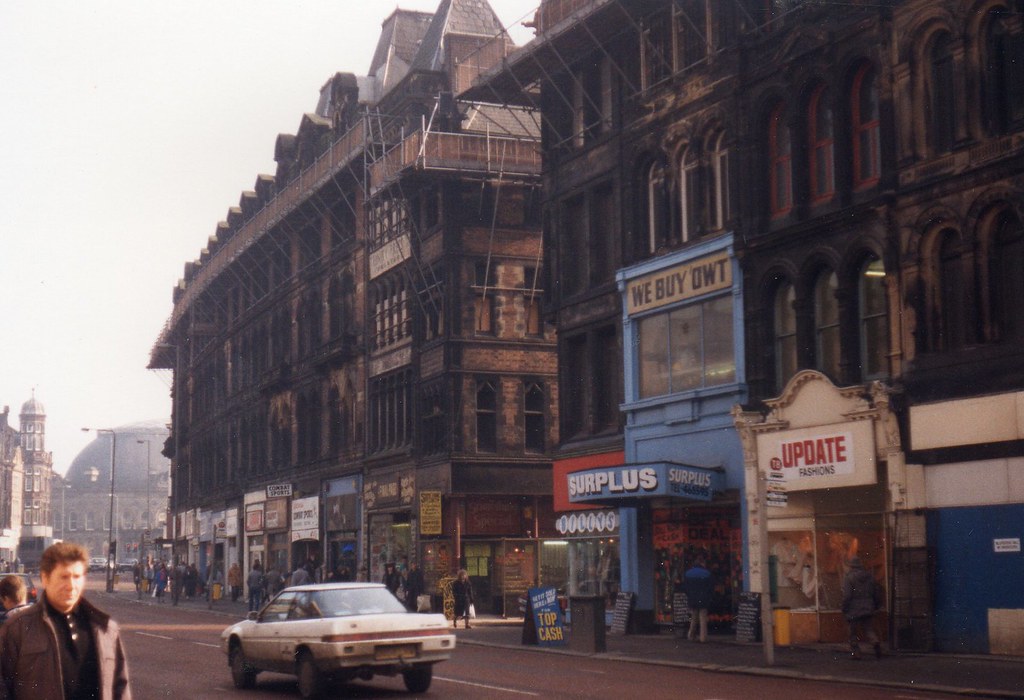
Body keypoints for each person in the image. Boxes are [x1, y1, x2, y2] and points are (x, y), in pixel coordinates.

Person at [0, 542, 131, 698]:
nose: (71, 585)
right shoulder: (18, 628)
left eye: (76, 577)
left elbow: (120, 690)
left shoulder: (106, 629)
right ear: (45, 578)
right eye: (64, 577)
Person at [842, 556, 882, 659]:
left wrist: (844, 608)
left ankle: (856, 653)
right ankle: (875, 642)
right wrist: (876, 605)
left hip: (853, 609)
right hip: (868, 606)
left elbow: (847, 596)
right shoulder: (870, 577)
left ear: (851, 566)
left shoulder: (849, 578)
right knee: (868, 629)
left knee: (852, 632)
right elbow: (876, 592)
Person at [683, 556, 714, 643]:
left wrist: (689, 595)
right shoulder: (707, 573)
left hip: (692, 598)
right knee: (703, 618)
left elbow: (685, 587)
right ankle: (703, 638)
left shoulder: (688, 573)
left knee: (693, 618)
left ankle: (691, 635)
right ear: (702, 563)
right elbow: (710, 587)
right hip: (703, 598)